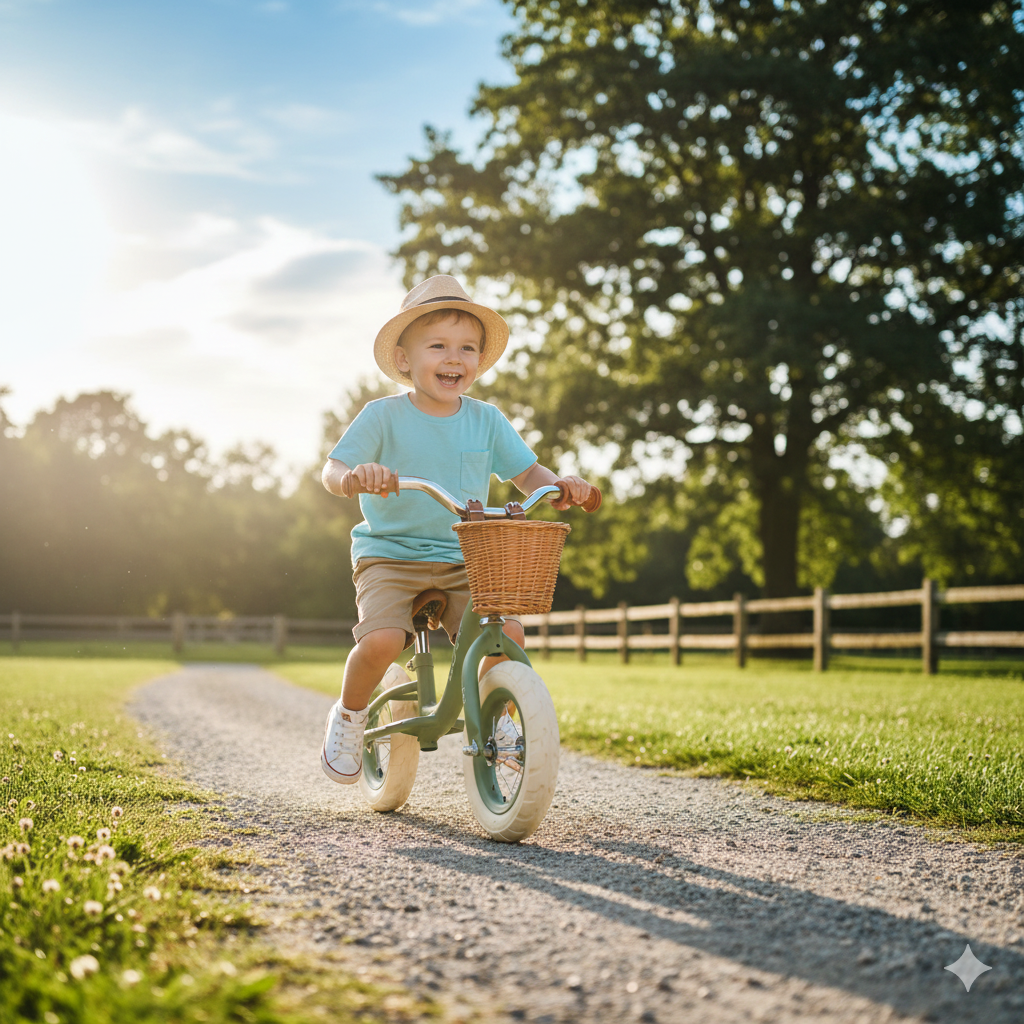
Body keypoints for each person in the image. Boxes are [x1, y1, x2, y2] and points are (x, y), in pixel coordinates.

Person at [319, 274, 597, 784]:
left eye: (467, 348)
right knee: (382, 641)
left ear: (478, 361)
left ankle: (501, 723)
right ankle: (350, 715)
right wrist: (355, 478)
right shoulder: (382, 416)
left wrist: (561, 485)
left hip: (464, 555)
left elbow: (528, 474)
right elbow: (333, 469)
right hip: (389, 554)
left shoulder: (486, 420)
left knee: (505, 634)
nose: (454, 358)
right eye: (439, 346)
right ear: (405, 359)